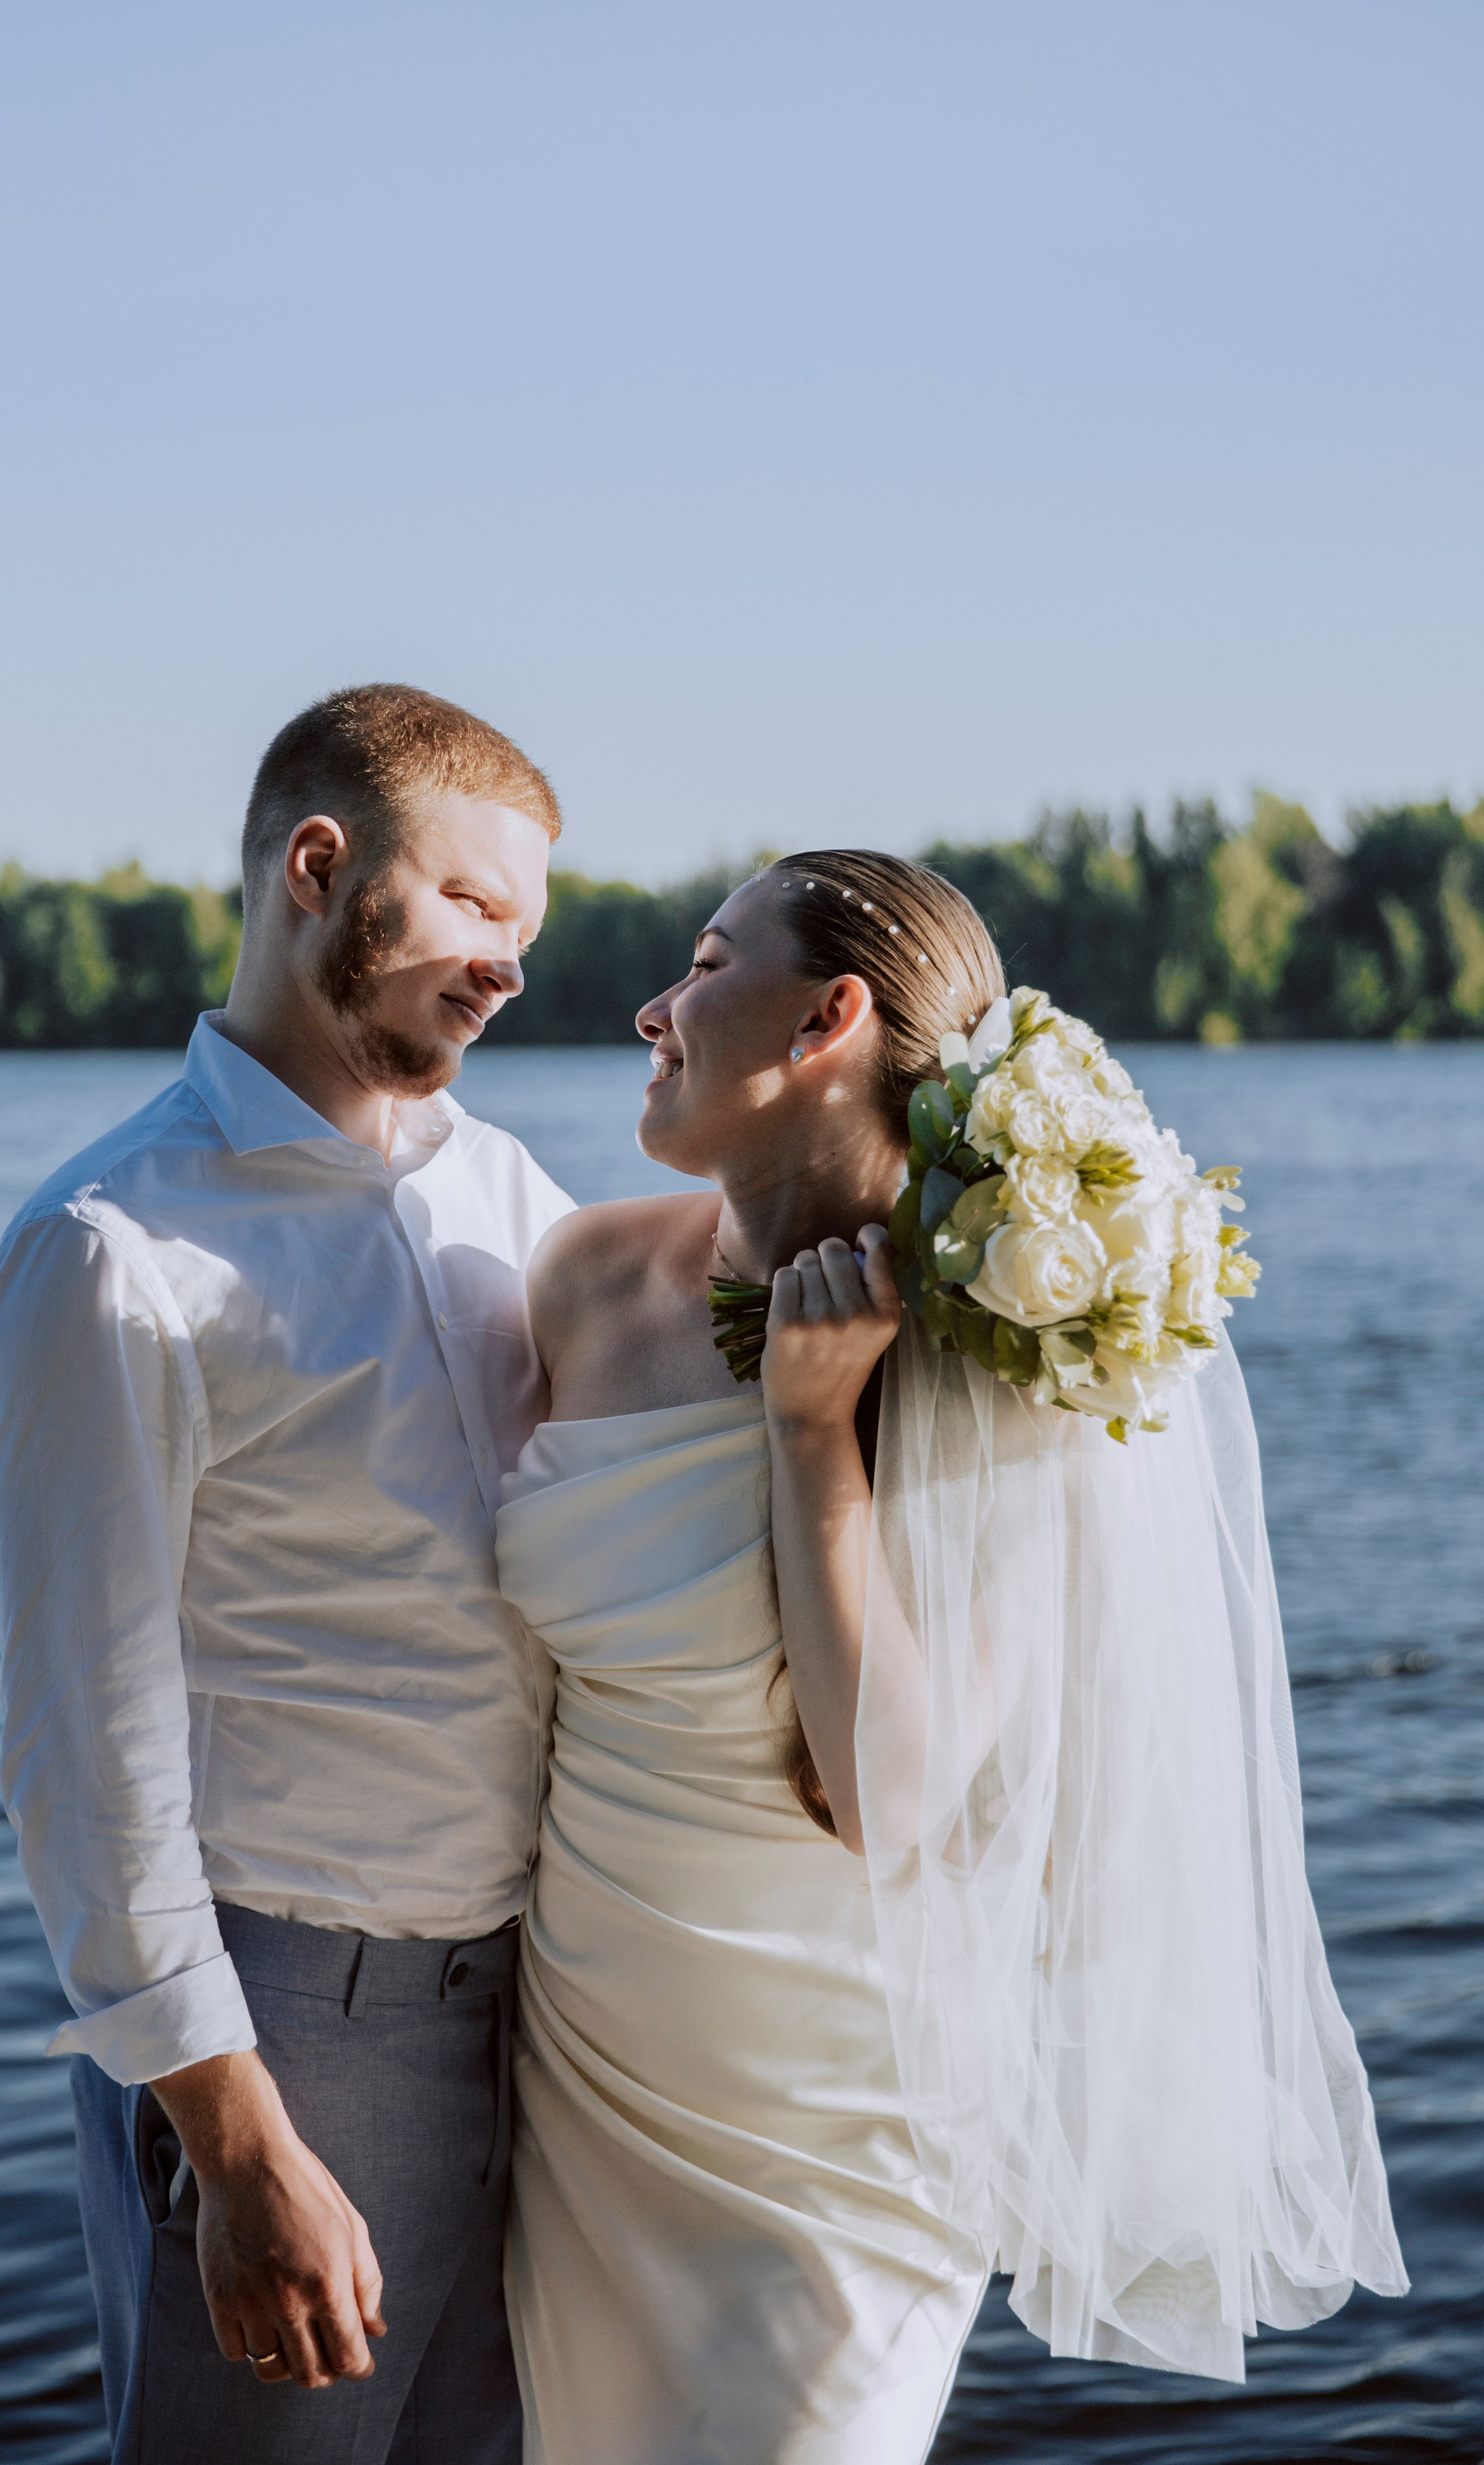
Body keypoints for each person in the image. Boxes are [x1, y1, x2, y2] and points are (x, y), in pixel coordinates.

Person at [497, 848, 1405, 2464]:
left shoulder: (995, 1370)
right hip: (580, 2078)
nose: (652, 1004)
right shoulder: (577, 1280)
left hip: (834, 2129)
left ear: (827, 1015)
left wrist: (804, 1433)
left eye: (704, 963)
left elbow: (887, 1793)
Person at [0, 684, 573, 2465]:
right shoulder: (111, 1252)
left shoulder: (510, 1194)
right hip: (290, 2029)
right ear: (319, 869)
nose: (505, 970)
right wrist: (238, 2144)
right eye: (472, 907)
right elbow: (85, 1744)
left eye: (527, 931)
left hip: (541, 2012)